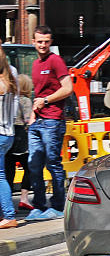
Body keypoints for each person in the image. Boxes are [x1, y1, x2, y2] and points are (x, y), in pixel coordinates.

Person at [25, 25, 73, 221]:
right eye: (39, 41)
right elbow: (37, 93)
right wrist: (33, 114)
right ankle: (38, 206)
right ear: (34, 42)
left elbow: (68, 88)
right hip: (38, 120)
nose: (43, 45)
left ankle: (58, 206)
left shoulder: (56, 61)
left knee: (53, 163)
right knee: (33, 164)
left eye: (46, 41)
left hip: (53, 120)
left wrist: (46, 101)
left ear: (51, 42)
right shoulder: (36, 64)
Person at [6, 74, 35, 211]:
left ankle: (8, 203)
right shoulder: (25, 101)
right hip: (22, 137)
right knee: (29, 168)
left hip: (10, 135)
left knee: (8, 171)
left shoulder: (10, 100)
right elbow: (29, 120)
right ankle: (24, 199)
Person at [0, 46, 19, 228]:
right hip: (9, 133)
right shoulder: (12, 72)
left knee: (0, 176)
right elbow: (16, 102)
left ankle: (9, 215)